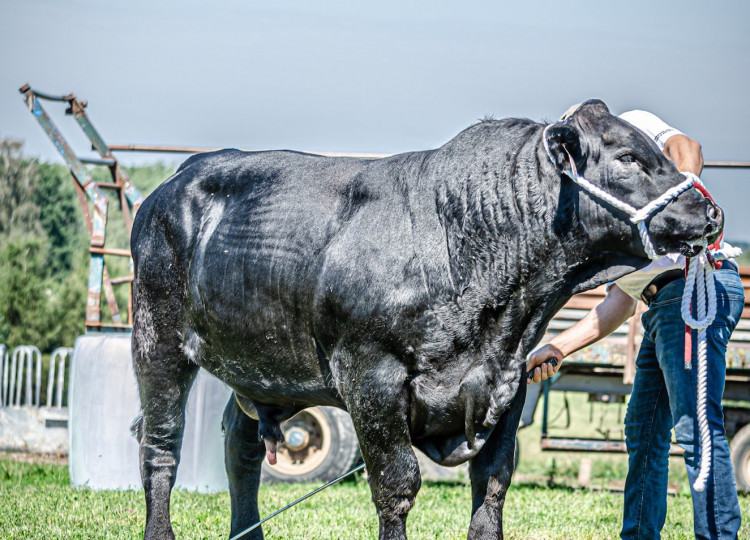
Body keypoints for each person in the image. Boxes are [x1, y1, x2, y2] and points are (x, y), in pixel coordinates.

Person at [526, 108, 744, 539]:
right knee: (644, 428)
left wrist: (681, 204)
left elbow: (688, 148)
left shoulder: (631, 126)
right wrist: (556, 348)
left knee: (696, 428)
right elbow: (619, 303)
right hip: (661, 302)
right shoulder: (609, 211)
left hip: (694, 285)